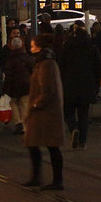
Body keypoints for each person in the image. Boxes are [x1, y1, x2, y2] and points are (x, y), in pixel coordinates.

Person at [23, 33, 65, 190]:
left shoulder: (46, 64)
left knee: (50, 145)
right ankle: (39, 178)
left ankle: (55, 180)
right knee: (36, 143)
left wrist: (35, 104)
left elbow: (48, 90)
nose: (30, 46)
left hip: (46, 112)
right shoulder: (43, 62)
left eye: (33, 44)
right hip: (44, 112)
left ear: (39, 46)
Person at [58, 23, 100, 148]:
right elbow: (98, 68)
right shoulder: (91, 48)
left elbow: (61, 66)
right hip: (86, 84)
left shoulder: (67, 48)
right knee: (83, 114)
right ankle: (83, 141)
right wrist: (95, 83)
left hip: (69, 84)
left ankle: (73, 128)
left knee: (68, 112)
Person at [1, 35, 33, 134]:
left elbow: (8, 75)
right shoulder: (27, 57)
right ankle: (26, 126)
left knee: (13, 103)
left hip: (14, 86)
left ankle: (18, 122)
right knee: (25, 104)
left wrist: (5, 89)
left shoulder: (10, 60)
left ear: (12, 46)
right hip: (26, 85)